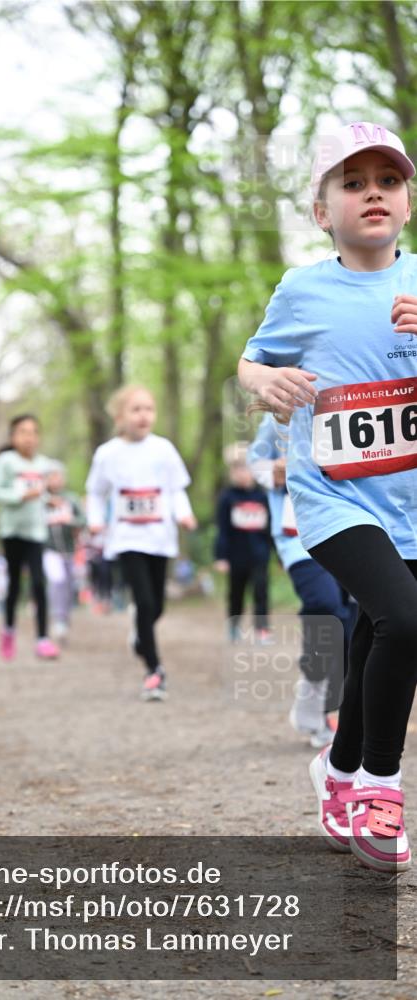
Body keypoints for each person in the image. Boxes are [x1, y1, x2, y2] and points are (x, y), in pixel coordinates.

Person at [238, 121, 417, 872]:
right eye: (352, 183)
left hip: (409, 497)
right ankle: (380, 784)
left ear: (406, 199)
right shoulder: (302, 289)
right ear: (322, 211)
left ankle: (335, 770)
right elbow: (250, 363)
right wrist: (263, 385)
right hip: (335, 497)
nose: (371, 192)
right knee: (405, 617)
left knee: (379, 631)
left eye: (386, 179)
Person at [248, 413, 355, 747]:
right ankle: (322, 700)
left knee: (352, 621)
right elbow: (256, 462)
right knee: (326, 606)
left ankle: (319, 695)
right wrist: (272, 472)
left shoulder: (351, 398)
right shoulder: (278, 416)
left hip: (352, 527)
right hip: (299, 536)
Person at [85, 385, 196, 700]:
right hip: (127, 537)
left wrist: (184, 515)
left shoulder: (163, 449)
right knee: (145, 602)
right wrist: (96, 520)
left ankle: (139, 635)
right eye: (136, 409)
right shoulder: (107, 454)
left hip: (160, 537)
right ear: (120, 416)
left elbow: (176, 489)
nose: (143, 415)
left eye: (149, 408)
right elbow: (95, 492)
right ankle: (153, 671)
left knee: (156, 605)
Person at [0, 415, 60, 661]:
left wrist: (50, 500)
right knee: (14, 585)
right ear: (13, 437)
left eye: (33, 432)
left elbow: (43, 493)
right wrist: (20, 496)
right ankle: (8, 630)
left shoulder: (44, 464)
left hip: (36, 532)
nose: (29, 437)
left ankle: (42, 639)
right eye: (23, 432)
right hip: (12, 532)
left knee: (39, 582)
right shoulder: (6, 461)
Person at [213, 446, 272, 643]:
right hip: (236, 556)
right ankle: (234, 626)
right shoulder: (227, 498)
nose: (242, 473)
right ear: (232, 472)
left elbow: (270, 528)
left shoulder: (263, 497)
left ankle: (262, 630)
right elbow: (222, 529)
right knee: (236, 593)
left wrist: (277, 553)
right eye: (238, 469)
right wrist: (220, 556)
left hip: (259, 555)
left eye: (246, 468)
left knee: (261, 592)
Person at [43, 463, 84, 643]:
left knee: (67, 585)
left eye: (58, 476)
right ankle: (58, 619)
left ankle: (64, 619)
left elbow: (83, 520)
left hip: (69, 550)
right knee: (56, 580)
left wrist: (70, 521)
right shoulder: (40, 500)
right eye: (52, 476)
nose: (56, 480)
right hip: (48, 550)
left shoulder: (71, 499)